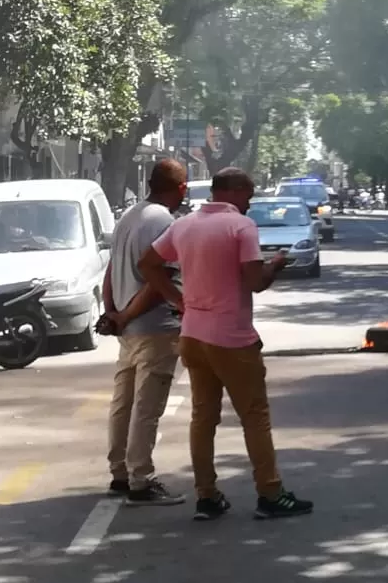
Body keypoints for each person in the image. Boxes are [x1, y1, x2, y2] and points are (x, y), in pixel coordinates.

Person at [138, 168, 313, 521]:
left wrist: (178, 299)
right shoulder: (241, 227)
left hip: (193, 335)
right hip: (232, 338)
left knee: (203, 418)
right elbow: (255, 282)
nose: (249, 202)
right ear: (234, 191)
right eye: (248, 194)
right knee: (255, 417)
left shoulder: (185, 224)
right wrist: (275, 264)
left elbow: (148, 264)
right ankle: (270, 493)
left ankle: (206, 496)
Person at [102, 158, 188, 506]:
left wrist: (114, 313)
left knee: (123, 402)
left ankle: (120, 472)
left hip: (128, 329)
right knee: (147, 407)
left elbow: (111, 271)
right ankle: (141, 478)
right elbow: (156, 280)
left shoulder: (130, 215)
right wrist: (125, 315)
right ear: (181, 189)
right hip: (153, 327)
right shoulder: (164, 221)